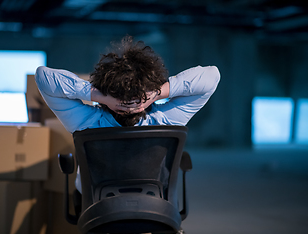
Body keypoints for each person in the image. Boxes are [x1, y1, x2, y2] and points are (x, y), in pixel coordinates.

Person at [35, 35, 220, 193]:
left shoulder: (87, 122)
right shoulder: (165, 120)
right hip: (154, 201)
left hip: (96, 204)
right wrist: (156, 93)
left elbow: (43, 77)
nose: (130, 103)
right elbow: (212, 76)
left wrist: (101, 96)